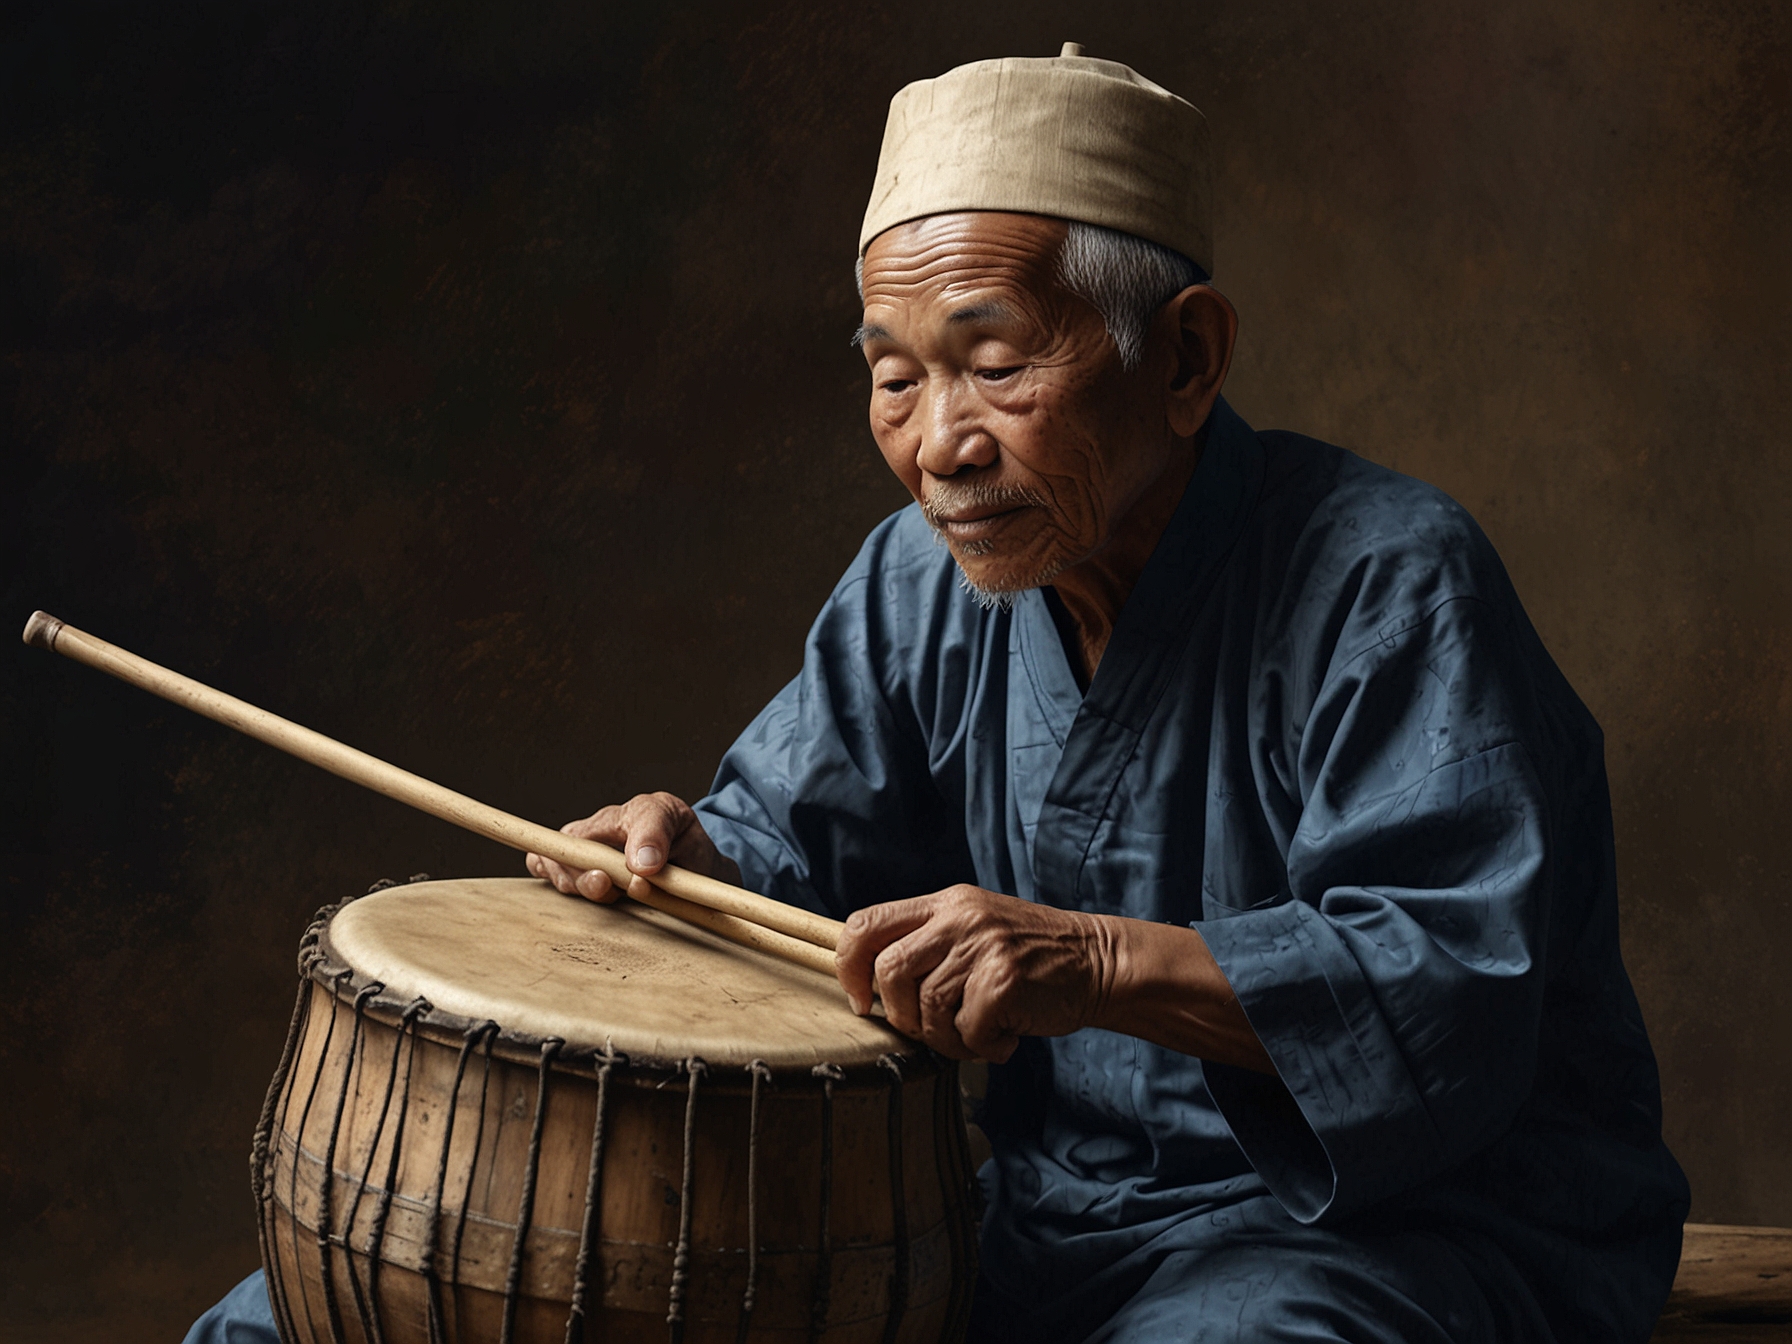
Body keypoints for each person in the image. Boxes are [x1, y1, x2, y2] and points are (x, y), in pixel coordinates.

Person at [186, 43, 1688, 1344]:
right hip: (1039, 1221)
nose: (939, 446)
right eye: (894, 378)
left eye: (993, 363)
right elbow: (789, 864)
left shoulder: (1388, 582)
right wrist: (685, 866)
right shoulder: (916, 584)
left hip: (1389, 1235)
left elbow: (1451, 987)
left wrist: (1092, 960)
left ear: (1186, 356)